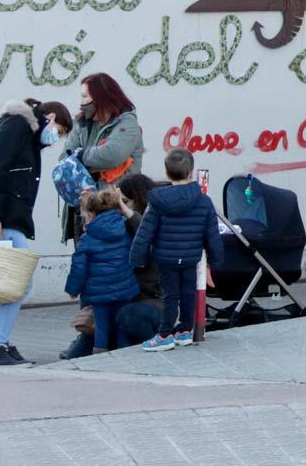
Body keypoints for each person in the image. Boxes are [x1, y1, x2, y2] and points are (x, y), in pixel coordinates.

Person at [0, 99, 69, 365]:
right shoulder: (18, 126)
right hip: (3, 218)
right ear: (51, 117)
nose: (55, 138)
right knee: (19, 282)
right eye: (58, 131)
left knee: (7, 284)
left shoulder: (22, 131)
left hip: (5, 216)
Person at [58, 175, 165, 359]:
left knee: (125, 317)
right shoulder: (120, 228)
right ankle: (101, 342)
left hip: (146, 303)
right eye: (118, 203)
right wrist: (91, 209)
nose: (120, 208)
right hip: (119, 300)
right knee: (76, 356)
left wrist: (124, 211)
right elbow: (93, 244)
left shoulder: (151, 224)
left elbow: (147, 236)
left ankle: (153, 343)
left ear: (140, 199)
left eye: (125, 202)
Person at [131, 149, 224, 352]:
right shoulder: (204, 201)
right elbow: (212, 235)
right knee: (188, 293)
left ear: (167, 172)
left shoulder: (157, 201)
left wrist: (137, 258)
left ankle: (165, 334)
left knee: (170, 295)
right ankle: (184, 331)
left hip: (166, 258)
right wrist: (216, 261)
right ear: (190, 172)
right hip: (191, 257)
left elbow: (145, 232)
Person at [62, 73, 144, 243]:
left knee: (114, 261)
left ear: (100, 97)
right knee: (85, 259)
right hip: (85, 209)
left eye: (85, 96)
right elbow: (64, 160)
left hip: (116, 208)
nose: (82, 101)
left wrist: (81, 155)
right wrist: (93, 161)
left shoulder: (127, 123)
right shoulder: (81, 123)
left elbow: (111, 154)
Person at [65, 191, 140, 352]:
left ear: (91, 214)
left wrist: (73, 290)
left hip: (99, 293)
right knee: (121, 325)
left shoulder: (88, 237)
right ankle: (124, 354)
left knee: (101, 328)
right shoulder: (125, 231)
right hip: (124, 289)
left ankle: (100, 356)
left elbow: (78, 267)